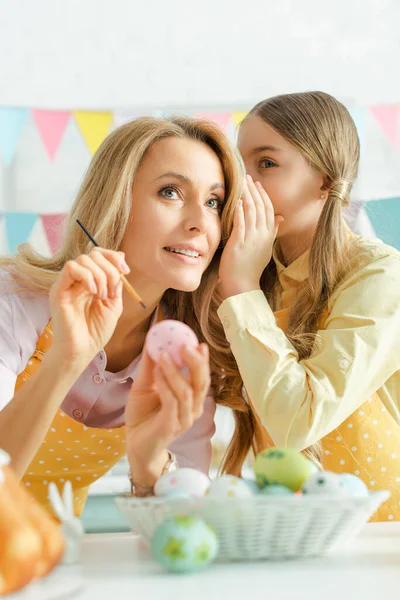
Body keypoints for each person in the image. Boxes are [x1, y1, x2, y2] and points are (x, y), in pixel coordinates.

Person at [0, 115, 245, 515]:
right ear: (115, 202)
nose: (201, 223)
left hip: (57, 562)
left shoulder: (184, 350)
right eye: (170, 192)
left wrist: (150, 468)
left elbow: (183, 532)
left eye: (213, 202)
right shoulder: (12, 298)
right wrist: (65, 359)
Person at [217, 91, 400, 521]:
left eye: (266, 163)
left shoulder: (379, 276)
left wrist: (241, 287)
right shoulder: (252, 272)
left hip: (381, 530)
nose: (242, 184)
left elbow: (298, 421)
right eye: (238, 165)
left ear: (324, 181)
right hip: (293, 525)